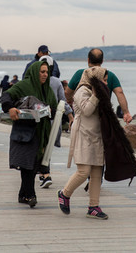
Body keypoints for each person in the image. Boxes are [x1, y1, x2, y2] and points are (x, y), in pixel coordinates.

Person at [0, 60, 57, 208]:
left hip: (41, 133)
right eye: (42, 72)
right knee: (27, 165)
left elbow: (54, 108)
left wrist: (53, 112)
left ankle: (22, 194)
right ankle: (30, 195)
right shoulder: (24, 85)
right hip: (25, 132)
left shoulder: (47, 89)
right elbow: (6, 96)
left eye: (47, 72)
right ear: (35, 72)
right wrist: (10, 108)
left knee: (35, 164)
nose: (45, 75)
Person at [57, 67, 111, 220]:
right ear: (95, 78)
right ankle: (64, 193)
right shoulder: (82, 91)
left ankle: (93, 206)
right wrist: (95, 94)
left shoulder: (99, 92)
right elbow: (87, 110)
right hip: (83, 134)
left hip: (97, 135)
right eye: (104, 79)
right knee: (83, 171)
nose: (105, 83)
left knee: (96, 172)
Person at [65, 48, 133, 124]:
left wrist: (71, 100)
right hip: (102, 115)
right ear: (102, 61)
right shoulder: (109, 75)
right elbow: (119, 93)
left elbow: (67, 93)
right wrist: (126, 112)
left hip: (83, 116)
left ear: (88, 60)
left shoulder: (80, 74)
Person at [37, 56, 73, 189]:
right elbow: (62, 101)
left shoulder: (35, 81)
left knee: (42, 147)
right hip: (52, 120)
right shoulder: (57, 82)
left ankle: (45, 173)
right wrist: (70, 116)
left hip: (38, 119)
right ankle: (44, 173)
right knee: (47, 147)